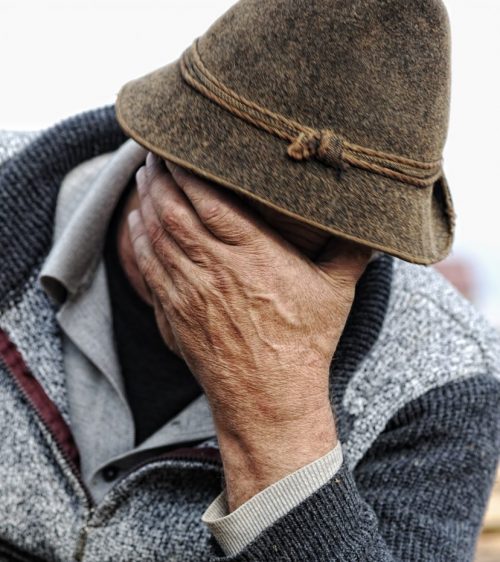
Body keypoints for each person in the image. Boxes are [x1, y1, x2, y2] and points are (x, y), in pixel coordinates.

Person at [1, 1, 499, 560]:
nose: (252, 284)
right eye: (233, 221)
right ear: (164, 152)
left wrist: (280, 429)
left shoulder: (444, 375)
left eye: (307, 241)